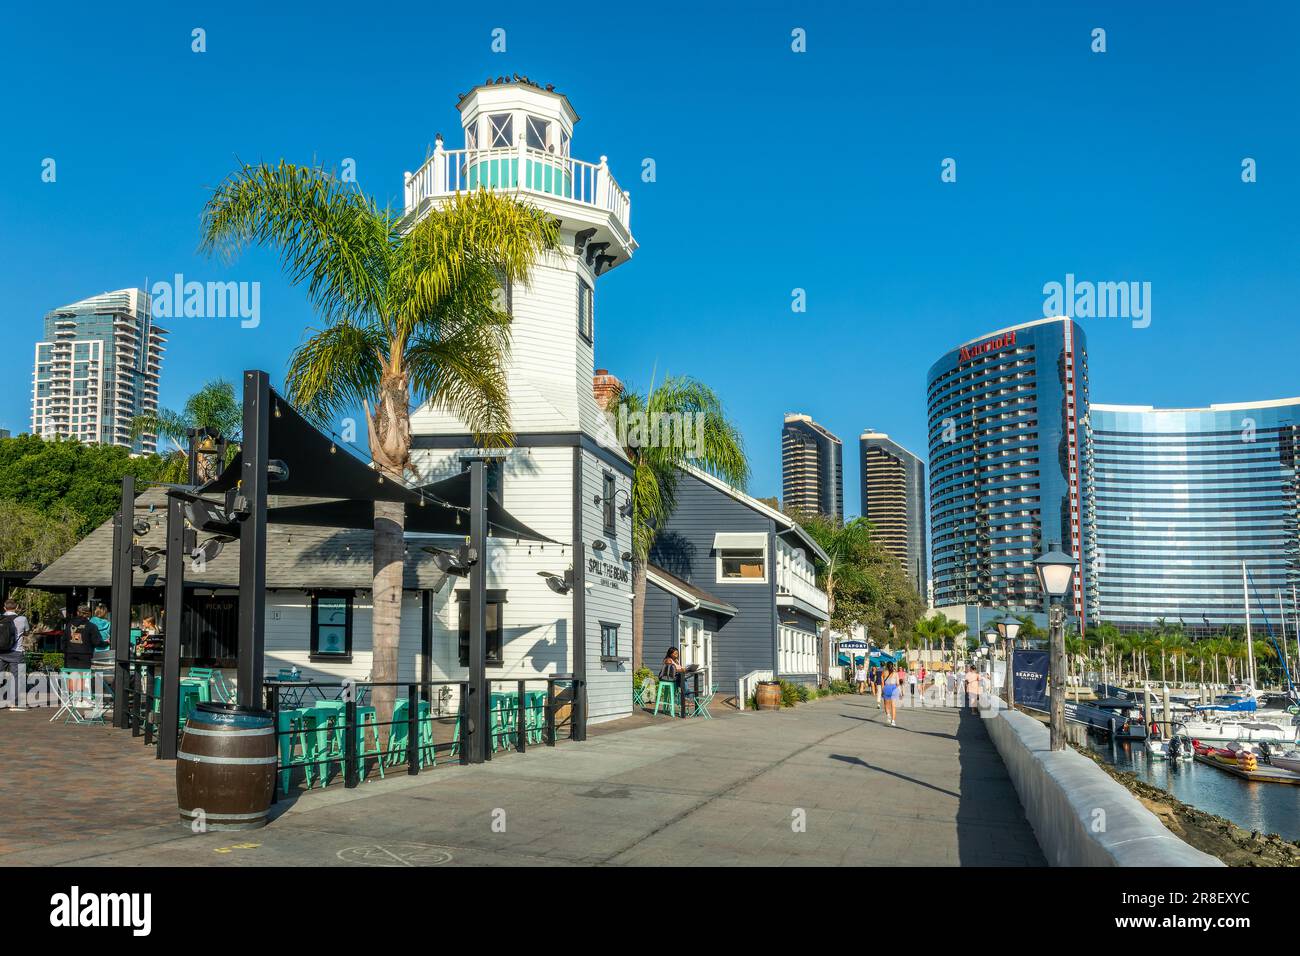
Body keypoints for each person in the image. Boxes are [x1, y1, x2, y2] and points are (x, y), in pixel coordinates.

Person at [0, 599, 30, 710]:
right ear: (17, 607)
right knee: (17, 678)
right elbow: (27, 632)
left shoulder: (0, 618)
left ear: (4, 608)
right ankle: (15, 703)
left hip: (1, 652)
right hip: (16, 652)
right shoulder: (22, 619)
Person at [659, 647, 693, 714]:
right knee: (683, 681)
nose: (676, 655)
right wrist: (681, 670)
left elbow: (679, 669)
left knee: (684, 680)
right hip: (669, 679)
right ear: (670, 654)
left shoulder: (676, 661)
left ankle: (684, 699)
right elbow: (671, 671)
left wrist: (685, 670)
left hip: (676, 678)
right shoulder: (668, 660)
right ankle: (684, 700)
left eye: (677, 653)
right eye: (675, 653)